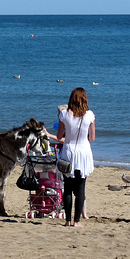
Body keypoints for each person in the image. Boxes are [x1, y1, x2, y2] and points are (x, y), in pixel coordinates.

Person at [56, 87, 95, 227]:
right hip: (83, 153)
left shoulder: (64, 114)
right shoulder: (89, 115)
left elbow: (60, 136)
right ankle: (77, 221)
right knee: (80, 189)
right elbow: (92, 137)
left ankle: (67, 220)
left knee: (67, 188)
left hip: (68, 151)